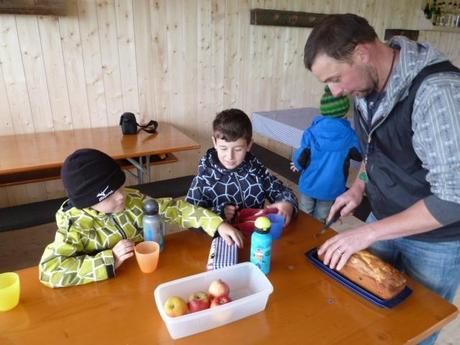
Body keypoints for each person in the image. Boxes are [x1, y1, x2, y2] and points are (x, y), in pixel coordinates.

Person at [304, 13, 460, 345]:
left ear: (361, 53)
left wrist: (368, 232)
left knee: (414, 330)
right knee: (365, 313)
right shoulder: (366, 84)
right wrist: (359, 187)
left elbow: (454, 198)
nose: (336, 91)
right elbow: (374, 151)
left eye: (335, 78)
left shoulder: (439, 92)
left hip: (438, 241)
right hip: (386, 217)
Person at [39, 148, 243, 288]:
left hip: (146, 279)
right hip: (108, 295)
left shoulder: (133, 201)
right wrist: (110, 259)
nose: (121, 196)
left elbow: (175, 209)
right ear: (87, 202)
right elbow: (49, 270)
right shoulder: (76, 227)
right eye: (109, 195)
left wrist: (217, 223)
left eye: (120, 186)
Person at [186, 108, 298, 227]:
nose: (230, 156)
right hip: (218, 241)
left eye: (238, 149)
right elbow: (188, 215)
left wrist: (287, 204)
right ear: (214, 143)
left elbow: (283, 192)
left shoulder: (257, 171)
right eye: (223, 148)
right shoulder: (205, 178)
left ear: (249, 145)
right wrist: (217, 214)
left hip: (255, 236)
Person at [290, 85, 362, 222]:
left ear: (323, 110)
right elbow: (360, 154)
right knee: (321, 218)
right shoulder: (350, 135)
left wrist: (297, 165)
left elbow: (301, 155)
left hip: (309, 183)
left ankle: (304, 239)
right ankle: (316, 241)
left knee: (305, 214)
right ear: (345, 111)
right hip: (331, 188)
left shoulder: (311, 131)